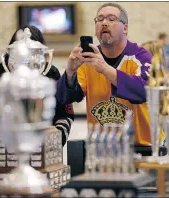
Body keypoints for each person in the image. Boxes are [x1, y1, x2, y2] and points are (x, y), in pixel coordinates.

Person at [0, 25, 74, 168]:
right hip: (2, 160)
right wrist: (6, 134)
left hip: (45, 158)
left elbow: (65, 115)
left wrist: (54, 136)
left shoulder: (52, 75)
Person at [56, 3, 153, 145]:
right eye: (100, 19)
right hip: (101, 150)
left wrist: (105, 69)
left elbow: (145, 91)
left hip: (140, 148)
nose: (104, 23)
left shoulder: (141, 57)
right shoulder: (87, 60)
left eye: (111, 19)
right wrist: (70, 72)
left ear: (125, 28)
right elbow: (65, 98)